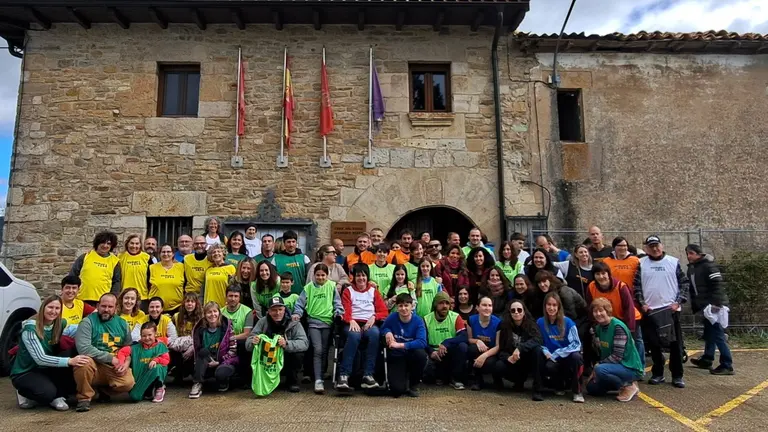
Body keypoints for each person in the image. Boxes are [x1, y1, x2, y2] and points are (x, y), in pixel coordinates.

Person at [12, 295, 90, 411]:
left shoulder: (60, 323)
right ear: (43, 307)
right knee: (46, 394)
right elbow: (40, 358)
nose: (53, 311)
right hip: (26, 370)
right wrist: (70, 361)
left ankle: (57, 394)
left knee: (72, 357)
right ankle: (24, 392)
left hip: (46, 368)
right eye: (50, 307)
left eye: (57, 308)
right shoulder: (30, 329)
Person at [634, 235, 689, 388]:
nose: (655, 248)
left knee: (675, 345)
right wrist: (642, 303)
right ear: (646, 248)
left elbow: (684, 284)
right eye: (651, 246)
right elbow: (637, 286)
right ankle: (658, 374)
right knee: (654, 345)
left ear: (662, 246)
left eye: (657, 245)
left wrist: (677, 302)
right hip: (650, 311)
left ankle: (677, 376)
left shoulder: (673, 262)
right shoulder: (641, 263)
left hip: (670, 311)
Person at [73, 293, 134, 412]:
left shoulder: (122, 324)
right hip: (93, 363)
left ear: (116, 308)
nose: (106, 309)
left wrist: (125, 363)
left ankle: (102, 390)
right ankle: (84, 398)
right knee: (82, 362)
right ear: (97, 306)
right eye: (103, 306)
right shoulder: (87, 322)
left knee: (128, 383)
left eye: (110, 307)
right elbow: (84, 348)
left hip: (113, 366)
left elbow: (128, 348)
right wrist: (111, 358)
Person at [336, 263, 389, 391]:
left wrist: (374, 317)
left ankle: (368, 374)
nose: (361, 278)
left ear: (367, 277)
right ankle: (344, 375)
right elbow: (345, 310)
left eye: (363, 275)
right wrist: (350, 320)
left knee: (375, 334)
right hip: (352, 323)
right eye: (358, 276)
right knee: (354, 336)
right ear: (353, 277)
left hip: (369, 323)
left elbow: (384, 311)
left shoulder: (373, 291)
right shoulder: (348, 291)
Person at [292, 264, 344, 394]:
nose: (320, 277)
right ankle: (318, 380)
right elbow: (300, 303)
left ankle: (320, 375)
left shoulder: (332, 286)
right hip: (313, 323)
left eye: (323, 275)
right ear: (314, 275)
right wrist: (297, 314)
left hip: (327, 323)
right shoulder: (308, 287)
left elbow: (337, 303)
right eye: (318, 275)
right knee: (318, 349)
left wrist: (338, 313)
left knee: (325, 350)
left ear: (327, 275)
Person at [586, 262, 644, 371]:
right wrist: (594, 325)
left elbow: (629, 308)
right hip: (607, 320)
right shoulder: (591, 287)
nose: (601, 276)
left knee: (634, 343)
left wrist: (629, 330)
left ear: (608, 274)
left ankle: (639, 367)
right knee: (611, 345)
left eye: (604, 273)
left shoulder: (621, 286)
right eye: (597, 274)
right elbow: (590, 307)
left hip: (628, 318)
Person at [686, 244, 733, 375]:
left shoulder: (708, 266)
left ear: (699, 253)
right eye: (688, 254)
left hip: (713, 306)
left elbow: (717, 284)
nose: (689, 256)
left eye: (691, 253)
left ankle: (727, 364)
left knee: (717, 335)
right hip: (705, 306)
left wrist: (716, 304)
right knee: (709, 334)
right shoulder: (693, 268)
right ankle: (707, 359)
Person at [247, 297, 309, 394]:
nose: (277, 313)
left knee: (298, 354)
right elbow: (249, 341)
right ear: (268, 311)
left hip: (286, 357)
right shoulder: (262, 322)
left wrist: (287, 344)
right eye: (274, 310)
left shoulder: (294, 323)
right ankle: (258, 380)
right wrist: (253, 342)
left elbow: (304, 343)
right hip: (267, 357)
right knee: (250, 352)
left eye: (280, 309)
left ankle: (292, 381)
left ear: (284, 310)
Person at [587, 298, 643, 402]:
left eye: (601, 310)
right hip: (612, 366)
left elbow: (617, 356)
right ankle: (617, 386)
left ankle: (629, 385)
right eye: (595, 311)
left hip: (628, 366)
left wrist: (598, 365)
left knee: (600, 370)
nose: (598, 314)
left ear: (607, 311)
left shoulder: (618, 327)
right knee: (591, 388)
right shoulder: (599, 328)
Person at [537, 292, 584, 403]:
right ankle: (558, 386)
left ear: (559, 307)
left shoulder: (568, 322)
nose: (551, 308)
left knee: (577, 357)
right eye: (549, 304)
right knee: (548, 366)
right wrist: (545, 351)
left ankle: (577, 392)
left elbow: (576, 344)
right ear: (545, 306)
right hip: (551, 358)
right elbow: (538, 341)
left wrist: (558, 353)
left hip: (566, 356)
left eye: (554, 305)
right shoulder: (540, 322)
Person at [494, 300, 544, 401]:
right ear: (510, 313)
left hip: (527, 360)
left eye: (519, 310)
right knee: (499, 365)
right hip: (514, 361)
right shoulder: (504, 326)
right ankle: (518, 381)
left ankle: (537, 390)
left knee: (537, 351)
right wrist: (508, 358)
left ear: (524, 311)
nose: (516, 312)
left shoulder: (531, 324)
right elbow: (501, 349)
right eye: (513, 310)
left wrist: (520, 348)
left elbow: (538, 339)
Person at [382, 293, 428, 397]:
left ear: (412, 306)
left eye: (406, 305)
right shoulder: (392, 317)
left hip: (412, 354)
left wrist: (400, 345)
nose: (404, 308)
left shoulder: (418, 321)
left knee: (421, 354)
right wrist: (387, 332)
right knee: (397, 391)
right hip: (397, 356)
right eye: (400, 306)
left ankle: (413, 384)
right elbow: (383, 328)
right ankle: (402, 382)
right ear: (397, 307)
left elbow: (422, 342)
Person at [189, 302, 238, 398]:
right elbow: (197, 350)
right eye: (209, 312)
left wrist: (219, 362)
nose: (212, 315)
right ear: (204, 315)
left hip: (223, 361)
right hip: (207, 361)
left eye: (215, 311)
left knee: (221, 373)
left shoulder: (227, 327)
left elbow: (233, 350)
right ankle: (197, 384)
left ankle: (223, 382)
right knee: (202, 352)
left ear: (219, 313)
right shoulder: (200, 330)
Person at [424, 291, 468, 390]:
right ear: (435, 305)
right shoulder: (426, 319)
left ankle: (456, 379)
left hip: (449, 352)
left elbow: (464, 336)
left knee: (463, 346)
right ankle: (440, 377)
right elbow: (422, 340)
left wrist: (446, 343)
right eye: (441, 303)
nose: (444, 306)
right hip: (434, 355)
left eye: (447, 303)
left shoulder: (455, 317)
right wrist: (431, 352)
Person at [118, 322, 170, 403]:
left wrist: (156, 360)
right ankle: (148, 391)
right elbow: (122, 352)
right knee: (134, 397)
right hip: (141, 378)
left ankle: (159, 388)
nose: (147, 338)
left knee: (157, 368)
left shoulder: (161, 346)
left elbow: (166, 360)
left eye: (150, 335)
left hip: (155, 373)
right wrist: (122, 363)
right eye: (144, 336)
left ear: (155, 334)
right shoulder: (135, 348)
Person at [70, 231, 122, 306]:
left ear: (112, 246)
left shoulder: (115, 261)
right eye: (102, 243)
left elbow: (116, 282)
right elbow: (72, 275)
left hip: (103, 302)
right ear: (97, 243)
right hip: (81, 299)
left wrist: (113, 297)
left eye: (108, 243)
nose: (105, 245)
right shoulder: (85, 257)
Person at [221, 285, 254, 384]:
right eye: (230, 296)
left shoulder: (247, 311)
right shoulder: (220, 312)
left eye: (236, 296)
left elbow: (247, 334)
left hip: (239, 342)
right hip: (224, 343)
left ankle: (244, 378)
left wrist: (231, 338)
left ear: (239, 298)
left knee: (245, 344)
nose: (233, 299)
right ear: (226, 297)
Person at [466, 296, 501, 391]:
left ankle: (497, 379)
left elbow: (498, 346)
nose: (487, 308)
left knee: (489, 364)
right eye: (484, 305)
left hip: (492, 352)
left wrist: (484, 356)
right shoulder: (471, 320)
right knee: (471, 349)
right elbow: (469, 339)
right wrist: (477, 341)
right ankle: (477, 380)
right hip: (478, 350)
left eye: (490, 305)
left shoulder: (498, 322)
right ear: (477, 307)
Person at [169, 293, 201, 382]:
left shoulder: (201, 318)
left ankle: (190, 373)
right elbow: (171, 335)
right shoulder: (176, 317)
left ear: (196, 304)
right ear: (183, 303)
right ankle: (177, 373)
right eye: (187, 301)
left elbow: (201, 337)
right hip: (178, 346)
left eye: (192, 301)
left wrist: (192, 349)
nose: (189, 304)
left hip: (194, 347)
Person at [148, 244, 186, 314]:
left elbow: (186, 285)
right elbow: (147, 286)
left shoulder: (181, 267)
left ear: (173, 254)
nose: (166, 254)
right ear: (159, 254)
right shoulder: (152, 268)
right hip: (156, 309)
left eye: (168, 252)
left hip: (177, 308)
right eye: (163, 252)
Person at [118, 234, 151, 304]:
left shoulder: (146, 258)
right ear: (127, 244)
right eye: (132, 243)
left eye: (137, 244)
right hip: (124, 296)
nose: (134, 246)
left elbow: (151, 278)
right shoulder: (120, 257)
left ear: (140, 245)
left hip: (142, 297)